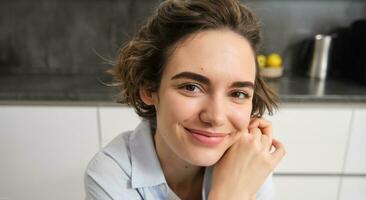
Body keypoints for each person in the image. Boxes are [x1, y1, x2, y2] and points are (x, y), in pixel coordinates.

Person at [84, 0, 285, 199]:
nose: (215, 117)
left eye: (238, 94)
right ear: (149, 89)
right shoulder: (110, 175)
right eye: (191, 87)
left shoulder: (248, 161)